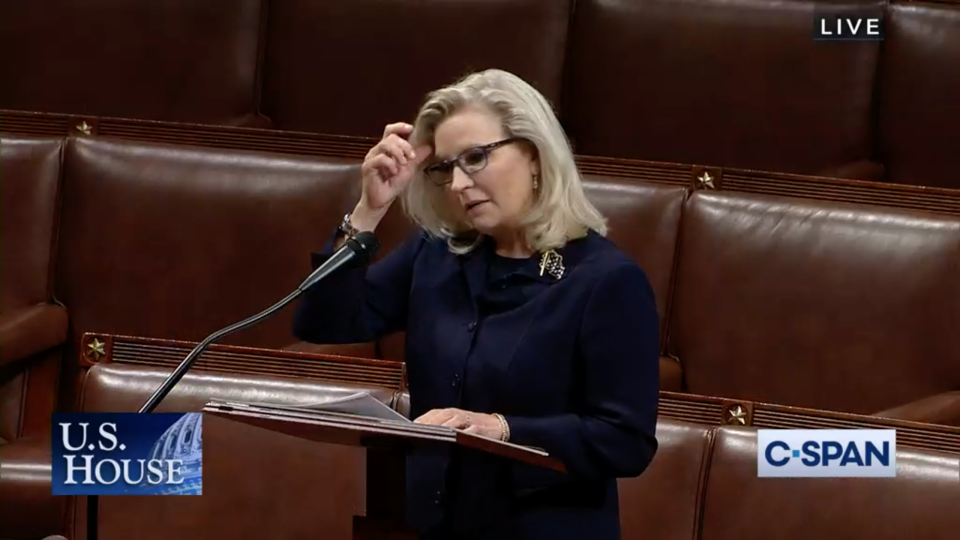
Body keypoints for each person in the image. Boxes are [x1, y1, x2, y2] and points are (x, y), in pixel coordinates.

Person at [292, 69, 659, 539]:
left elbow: (625, 441)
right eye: (446, 168)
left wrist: (501, 428)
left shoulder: (606, 281)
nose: (459, 184)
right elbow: (325, 320)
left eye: (476, 158)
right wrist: (370, 209)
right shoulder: (437, 254)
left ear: (534, 154)